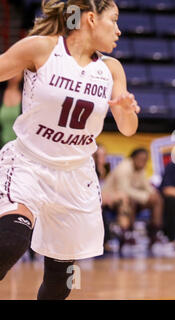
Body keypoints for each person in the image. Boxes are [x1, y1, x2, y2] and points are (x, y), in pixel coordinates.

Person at [0, 0, 140, 300]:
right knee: (11, 240)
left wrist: (127, 110)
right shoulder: (42, 48)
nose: (118, 30)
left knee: (62, 278)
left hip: (76, 177)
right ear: (90, 19)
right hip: (28, 163)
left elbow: (128, 128)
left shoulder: (110, 69)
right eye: (113, 21)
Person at [101, 148, 164, 251]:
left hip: (132, 199)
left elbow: (147, 187)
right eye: (141, 159)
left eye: (145, 160)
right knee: (130, 200)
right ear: (133, 158)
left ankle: (155, 232)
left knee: (157, 199)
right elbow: (124, 190)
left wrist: (153, 194)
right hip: (112, 200)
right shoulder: (124, 168)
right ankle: (128, 234)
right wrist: (145, 196)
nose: (143, 162)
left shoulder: (141, 169)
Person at [0, 74, 22, 147]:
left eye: (18, 72)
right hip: (1, 146)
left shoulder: (27, 95)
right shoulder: (1, 93)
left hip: (19, 149)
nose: (14, 75)